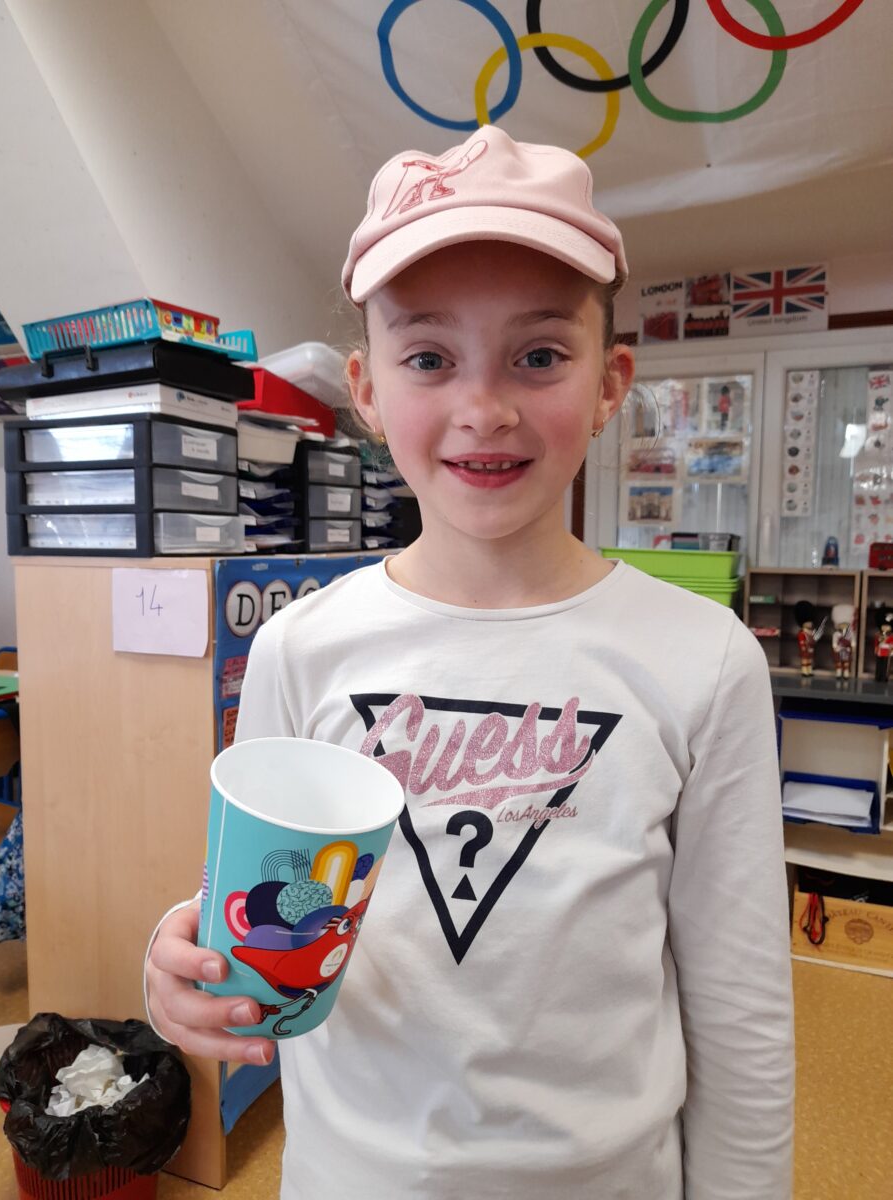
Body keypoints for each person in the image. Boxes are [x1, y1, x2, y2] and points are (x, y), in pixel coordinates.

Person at [144, 126, 794, 1199]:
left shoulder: (705, 661)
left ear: (609, 382)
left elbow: (741, 1007)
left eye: (538, 356)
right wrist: (182, 968)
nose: (483, 410)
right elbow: (252, 908)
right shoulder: (300, 649)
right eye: (429, 358)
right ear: (366, 388)